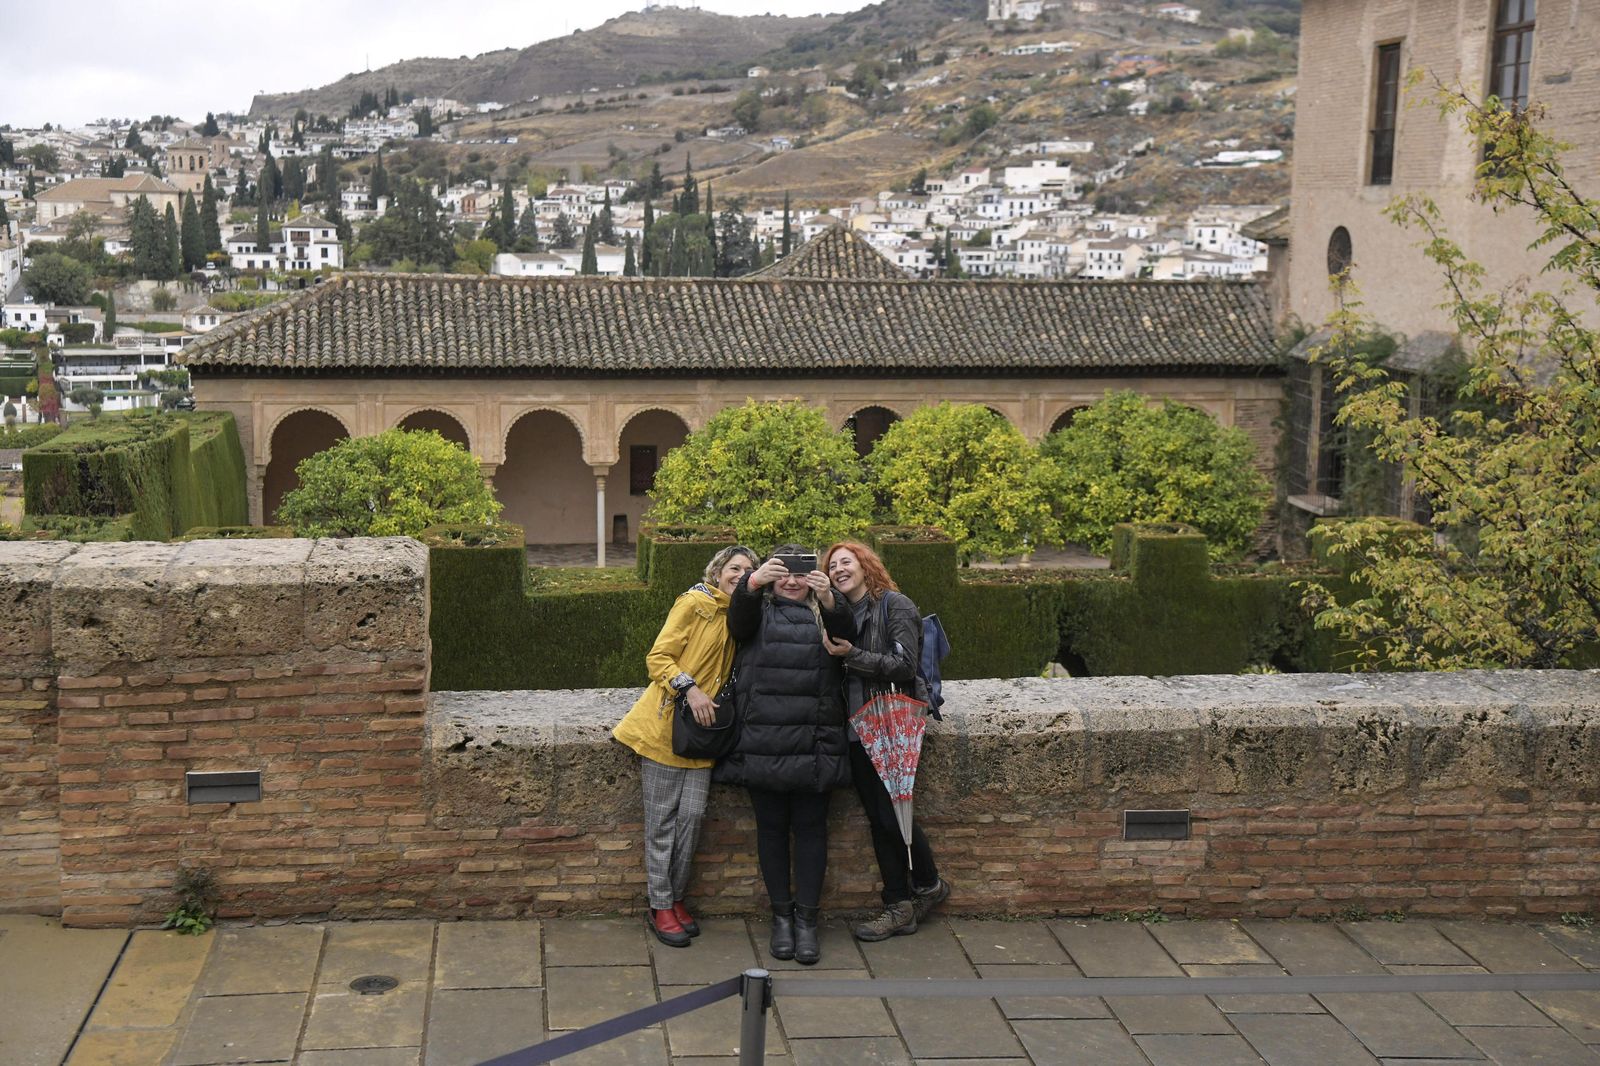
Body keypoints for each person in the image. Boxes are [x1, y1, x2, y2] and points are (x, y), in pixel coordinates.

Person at [714, 544, 856, 965]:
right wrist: (753, 583)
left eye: (800, 573)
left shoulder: (824, 610)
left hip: (815, 739)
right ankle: (781, 918)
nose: (792, 581)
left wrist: (829, 595)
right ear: (773, 576)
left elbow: (846, 631)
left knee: (812, 831)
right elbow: (737, 624)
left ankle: (807, 922)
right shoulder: (758, 609)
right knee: (771, 831)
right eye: (784, 573)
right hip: (764, 741)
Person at [614, 545, 758, 948]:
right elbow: (658, 657)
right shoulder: (694, 603)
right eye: (734, 567)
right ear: (718, 571)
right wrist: (689, 688)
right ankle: (660, 905)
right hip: (665, 727)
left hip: (703, 733)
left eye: (749, 570)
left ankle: (675, 897)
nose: (740, 574)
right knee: (662, 822)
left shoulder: (743, 615)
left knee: (691, 820)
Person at [822, 541, 951, 941]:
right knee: (881, 816)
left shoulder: (895, 605)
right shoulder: (836, 613)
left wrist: (852, 655)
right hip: (857, 728)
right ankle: (911, 896)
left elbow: (904, 664)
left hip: (892, 722)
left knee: (892, 812)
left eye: (846, 562)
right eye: (832, 566)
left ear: (865, 565)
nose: (839, 570)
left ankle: (914, 895)